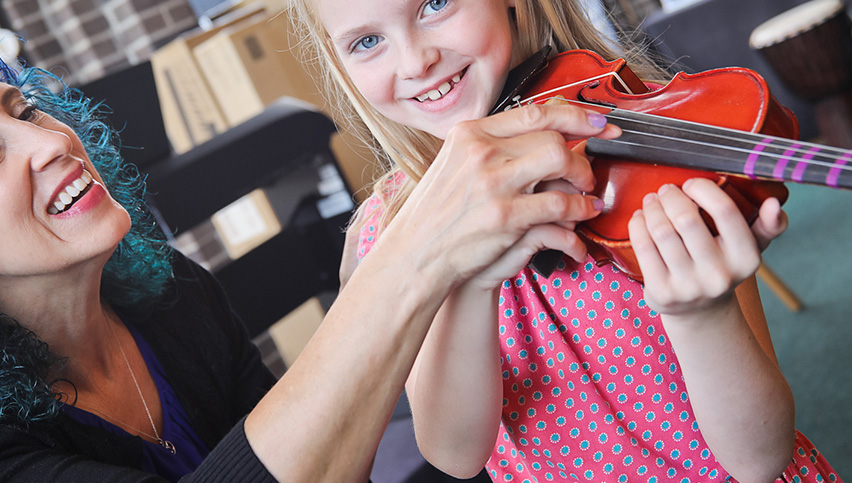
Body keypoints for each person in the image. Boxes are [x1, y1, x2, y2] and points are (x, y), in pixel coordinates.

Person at [285, 0, 842, 483]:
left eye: (435, 4)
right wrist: (467, 272)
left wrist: (701, 313)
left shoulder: (642, 142)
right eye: (367, 42)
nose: (414, 62)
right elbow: (455, 452)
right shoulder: (390, 234)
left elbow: (757, 459)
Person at [0, 56, 607, 483]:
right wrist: (411, 254)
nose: (50, 144)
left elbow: (331, 464)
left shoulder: (172, 292)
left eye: (24, 112)